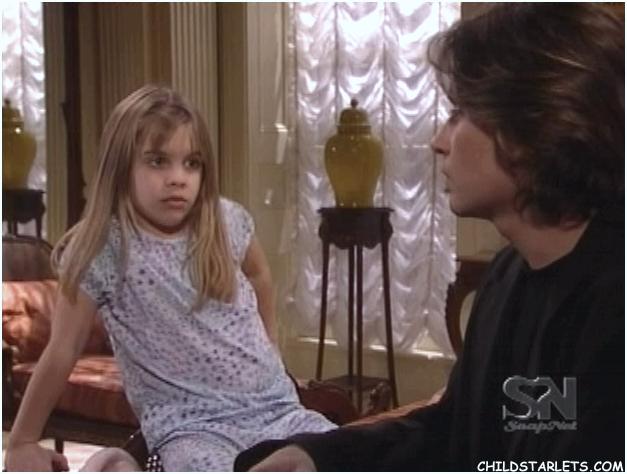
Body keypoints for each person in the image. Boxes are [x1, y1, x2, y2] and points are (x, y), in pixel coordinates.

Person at [235, 4, 624, 471]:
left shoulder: (613, 301)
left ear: (532, 127)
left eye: (460, 114)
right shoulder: (508, 275)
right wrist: (316, 456)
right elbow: (451, 431)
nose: (438, 140)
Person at [3, 85, 335, 472]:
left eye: (191, 163)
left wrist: (271, 343)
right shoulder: (103, 249)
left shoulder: (225, 221)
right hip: (193, 428)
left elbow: (259, 275)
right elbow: (63, 349)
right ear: (121, 167)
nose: (178, 178)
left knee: (346, 452)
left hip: (276, 408)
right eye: (158, 161)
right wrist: (23, 440)